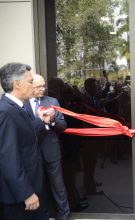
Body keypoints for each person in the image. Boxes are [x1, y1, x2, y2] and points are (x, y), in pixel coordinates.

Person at [0, 62, 51, 220]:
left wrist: (41, 121)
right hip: (21, 197)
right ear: (17, 84)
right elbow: (8, 158)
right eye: (30, 82)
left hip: (32, 186)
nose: (33, 86)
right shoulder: (5, 112)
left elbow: (25, 134)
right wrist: (26, 193)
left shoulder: (18, 107)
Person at [24, 74, 72, 219]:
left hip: (51, 151)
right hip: (32, 153)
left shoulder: (52, 101)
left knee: (58, 188)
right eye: (38, 86)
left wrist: (51, 120)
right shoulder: (22, 103)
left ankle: (64, 215)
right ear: (30, 85)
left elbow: (63, 126)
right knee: (37, 188)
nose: (42, 89)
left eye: (44, 85)